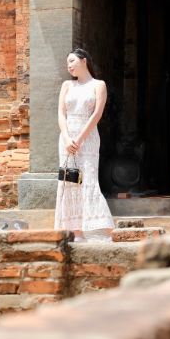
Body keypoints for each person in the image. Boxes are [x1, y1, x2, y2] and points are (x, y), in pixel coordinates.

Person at [54, 48, 116, 242]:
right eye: (67, 63)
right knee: (70, 182)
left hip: (87, 139)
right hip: (67, 139)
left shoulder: (99, 85)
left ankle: (110, 232)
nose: (69, 65)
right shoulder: (67, 85)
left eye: (72, 61)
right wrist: (67, 138)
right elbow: (61, 114)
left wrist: (80, 139)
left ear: (84, 61)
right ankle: (78, 234)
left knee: (89, 182)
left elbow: (97, 114)